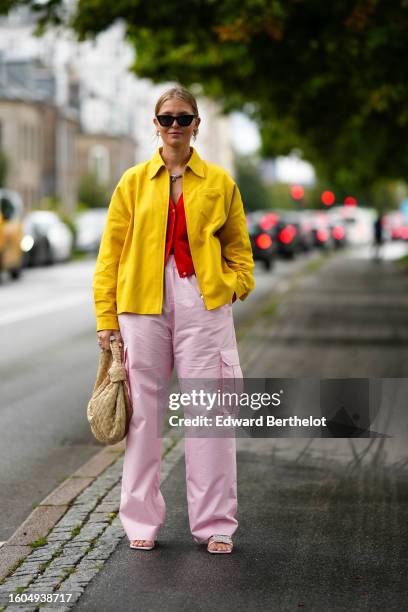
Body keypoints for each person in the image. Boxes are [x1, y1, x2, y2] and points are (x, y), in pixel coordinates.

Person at [93, 85, 255, 554]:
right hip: (141, 306)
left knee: (209, 413)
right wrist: (107, 320)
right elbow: (109, 258)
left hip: (202, 304)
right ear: (155, 124)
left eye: (184, 118)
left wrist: (228, 288)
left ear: (196, 124)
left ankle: (215, 523)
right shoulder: (132, 182)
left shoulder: (221, 183)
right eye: (167, 118)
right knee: (143, 416)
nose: (175, 126)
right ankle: (140, 519)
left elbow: (241, 255)